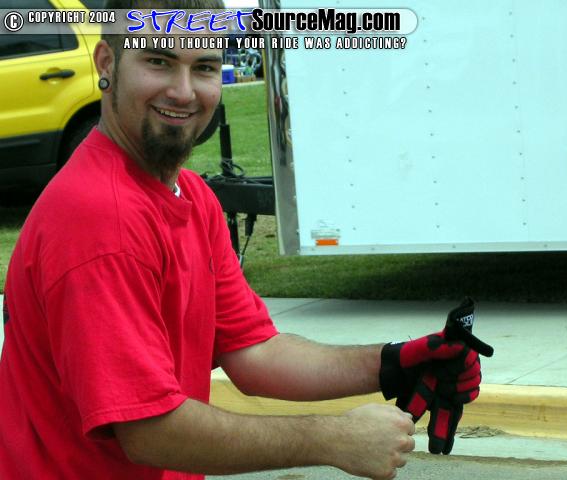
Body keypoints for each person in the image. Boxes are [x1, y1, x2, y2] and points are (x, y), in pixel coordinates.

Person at [0, 1, 487, 479]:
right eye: (158, 61)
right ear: (107, 63)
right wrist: (330, 439)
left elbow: (254, 353)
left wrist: (393, 362)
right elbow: (147, 430)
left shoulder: (191, 196)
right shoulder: (99, 218)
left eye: (204, 67)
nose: (183, 91)